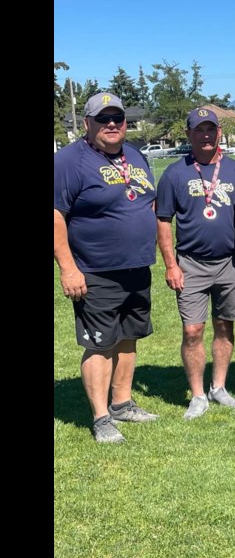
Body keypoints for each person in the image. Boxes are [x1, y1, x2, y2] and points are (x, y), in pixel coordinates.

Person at [53, 93, 159, 443]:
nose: (112, 125)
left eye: (118, 118)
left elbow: (146, 200)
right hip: (95, 271)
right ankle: (100, 418)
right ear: (87, 124)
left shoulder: (136, 155)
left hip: (136, 267)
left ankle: (122, 403)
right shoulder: (68, 161)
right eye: (103, 119)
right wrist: (68, 268)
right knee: (100, 343)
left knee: (129, 337)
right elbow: (56, 216)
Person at [156, 107, 235, 419]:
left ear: (219, 132)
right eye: (199, 130)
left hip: (229, 262)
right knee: (193, 330)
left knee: (225, 325)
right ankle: (197, 395)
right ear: (189, 134)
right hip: (191, 263)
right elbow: (163, 221)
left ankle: (218, 387)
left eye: (211, 129)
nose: (206, 135)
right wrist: (171, 264)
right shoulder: (174, 173)